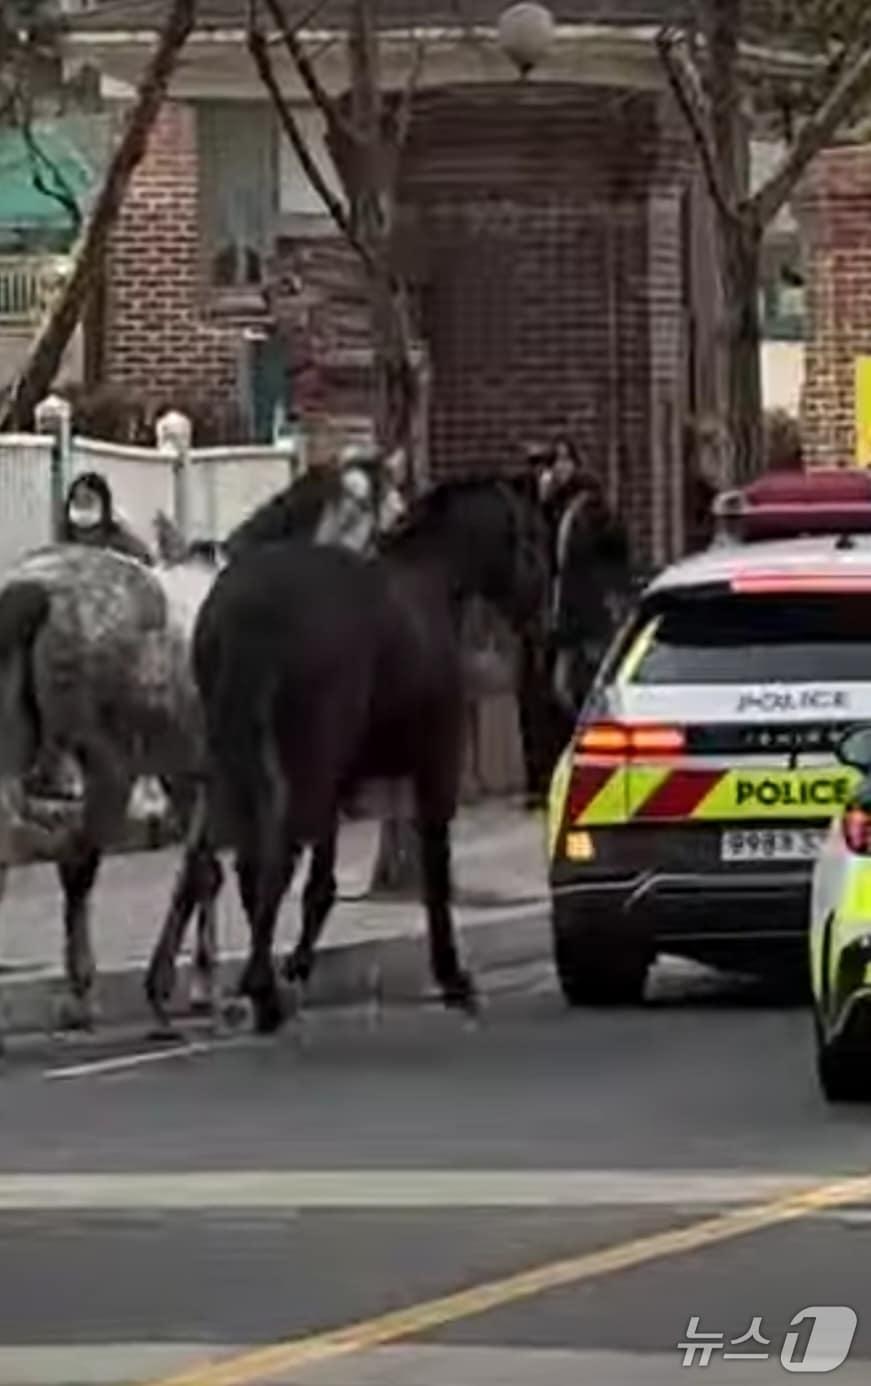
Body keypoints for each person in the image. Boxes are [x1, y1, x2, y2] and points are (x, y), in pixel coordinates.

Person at [62, 471, 155, 565]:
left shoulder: (126, 545)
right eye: (77, 501)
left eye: (88, 500)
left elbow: (148, 563)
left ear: (104, 506)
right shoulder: (64, 543)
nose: (82, 506)